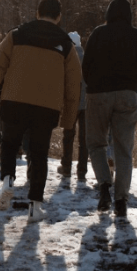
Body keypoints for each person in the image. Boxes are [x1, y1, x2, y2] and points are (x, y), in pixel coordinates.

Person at [0, 0, 82, 222]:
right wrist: (68, 119)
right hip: (47, 107)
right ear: (59, 17)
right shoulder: (66, 45)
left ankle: (7, 182)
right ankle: (35, 205)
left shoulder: (16, 35)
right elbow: (74, 85)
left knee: (9, 144)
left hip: (14, 101)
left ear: (37, 13)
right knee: (39, 153)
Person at [82, 0, 137, 217]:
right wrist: (131, 87)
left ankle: (104, 186)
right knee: (123, 149)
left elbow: (87, 65)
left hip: (98, 94)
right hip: (127, 95)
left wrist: (94, 86)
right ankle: (121, 199)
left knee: (96, 143)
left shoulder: (98, 33)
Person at [57, 31, 88, 181]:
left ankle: (67, 167)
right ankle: (82, 171)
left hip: (71, 102)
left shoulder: (66, 58)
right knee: (84, 139)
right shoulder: (89, 58)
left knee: (68, 136)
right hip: (87, 104)